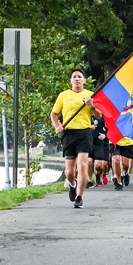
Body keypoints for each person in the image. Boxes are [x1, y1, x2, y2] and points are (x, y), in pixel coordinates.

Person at [51, 68, 102, 209]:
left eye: (80, 76)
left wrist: (91, 106)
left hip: (84, 134)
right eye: (74, 77)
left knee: (83, 165)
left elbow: (99, 116)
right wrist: (57, 126)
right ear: (71, 80)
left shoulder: (90, 95)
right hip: (69, 135)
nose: (77, 79)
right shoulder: (63, 95)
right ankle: (72, 185)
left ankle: (79, 197)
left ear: (84, 80)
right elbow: (54, 114)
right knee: (69, 171)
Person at [90, 112, 110, 186]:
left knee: (99, 165)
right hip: (88, 143)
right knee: (89, 162)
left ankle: (99, 174)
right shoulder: (85, 115)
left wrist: (104, 134)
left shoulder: (101, 116)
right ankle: (90, 181)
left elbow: (108, 127)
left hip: (99, 143)